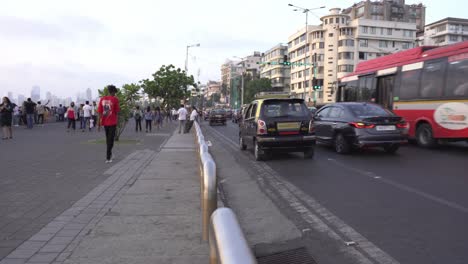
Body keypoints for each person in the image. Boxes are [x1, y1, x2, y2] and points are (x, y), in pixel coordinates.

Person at [98, 85, 120, 163]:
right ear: (113, 92)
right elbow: (117, 110)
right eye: (115, 93)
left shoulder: (102, 99)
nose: (115, 94)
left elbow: (100, 112)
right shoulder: (115, 99)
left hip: (105, 122)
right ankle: (108, 157)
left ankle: (109, 154)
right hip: (112, 122)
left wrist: (98, 124)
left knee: (108, 139)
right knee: (110, 140)